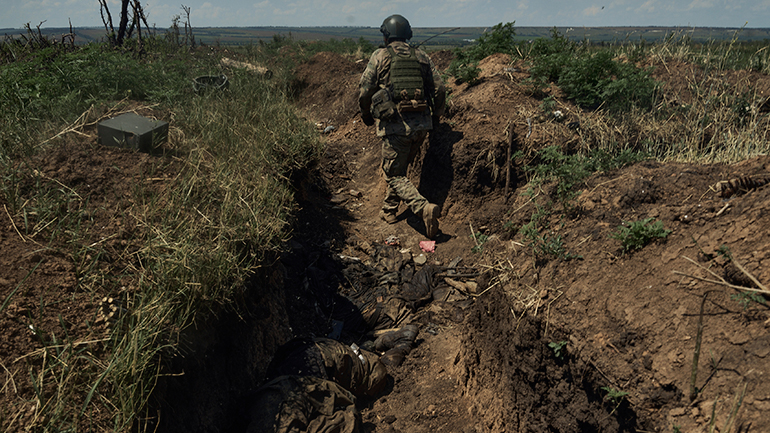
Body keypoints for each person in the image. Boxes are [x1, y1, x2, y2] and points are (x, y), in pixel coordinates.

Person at [359, 14, 446, 239]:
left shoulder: (380, 56)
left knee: (393, 173)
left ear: (386, 35)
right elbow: (440, 89)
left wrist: (366, 114)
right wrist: (435, 117)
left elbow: (365, 89)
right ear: (408, 35)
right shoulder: (422, 56)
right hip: (422, 126)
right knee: (400, 169)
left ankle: (423, 209)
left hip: (395, 127)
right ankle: (389, 211)